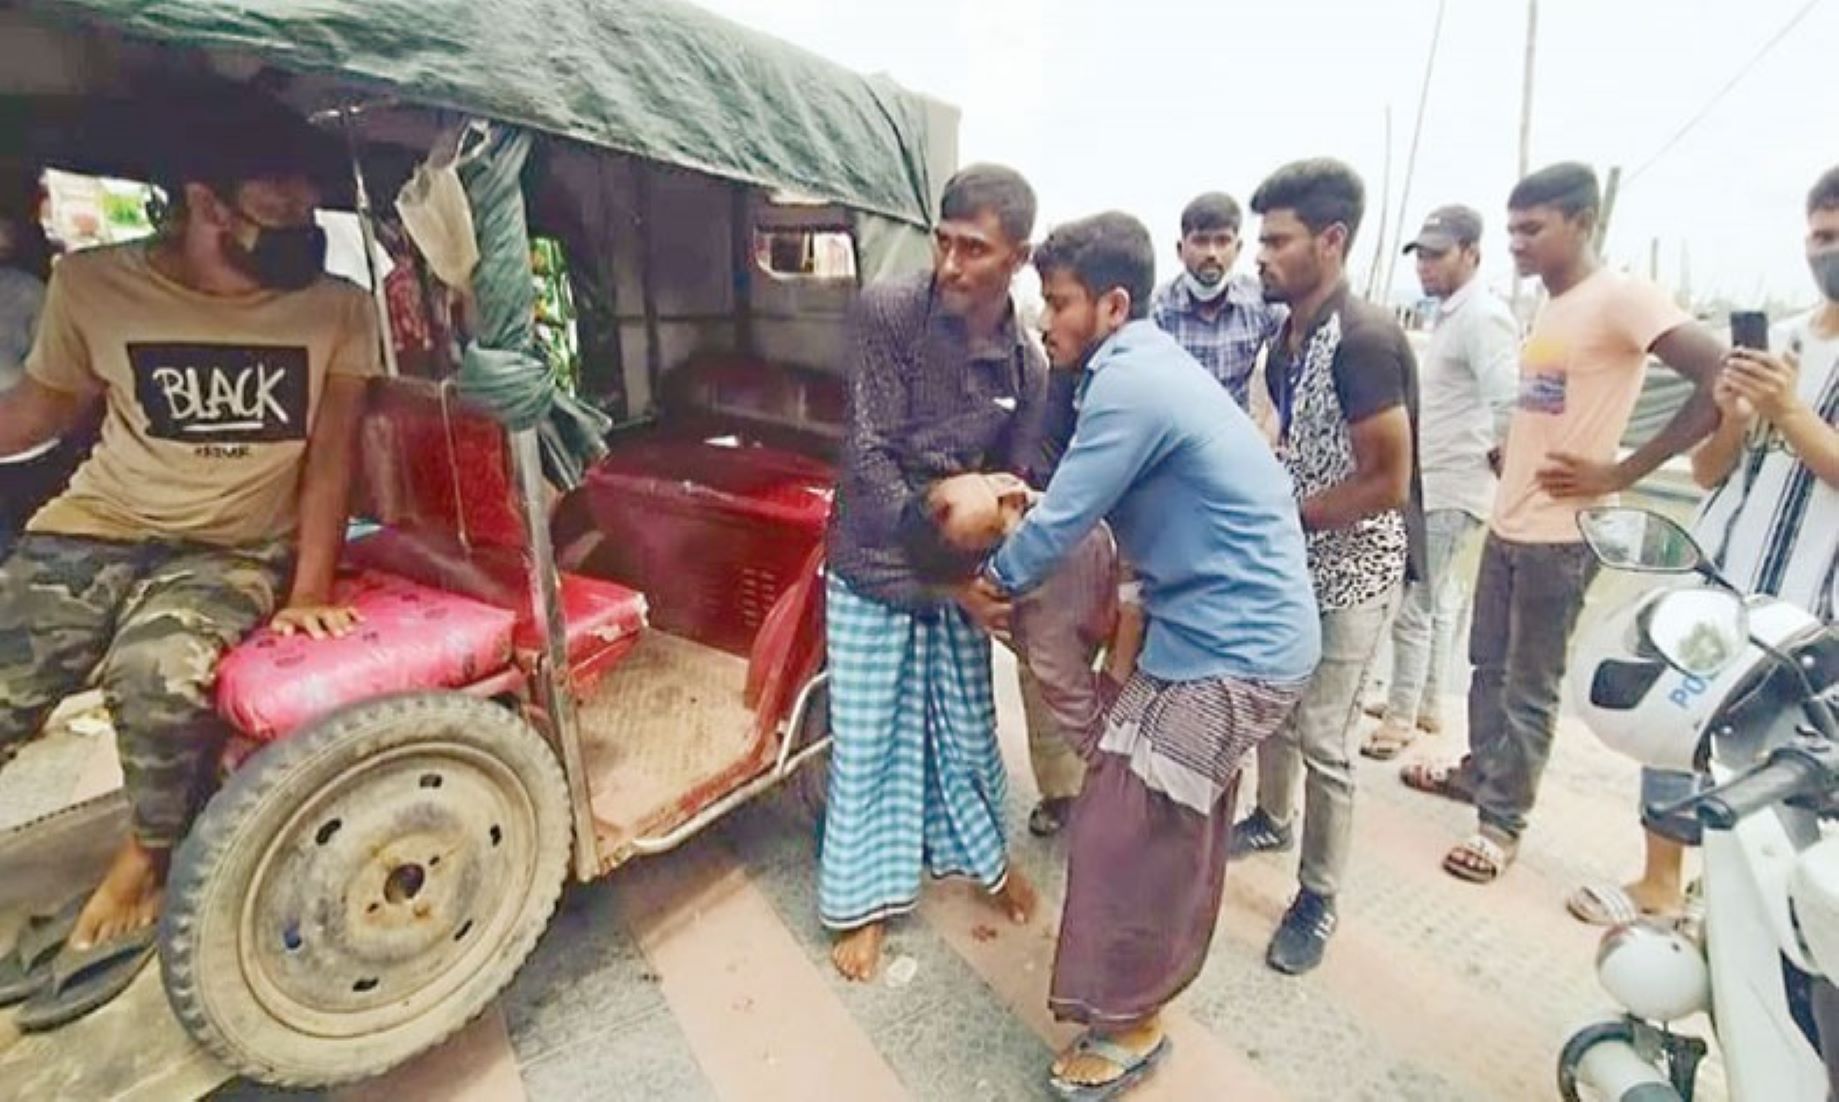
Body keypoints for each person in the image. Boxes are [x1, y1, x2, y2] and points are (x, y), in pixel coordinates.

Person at [0, 95, 376, 1028]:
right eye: (277, 213)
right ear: (207, 205)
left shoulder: (339, 309)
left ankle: (150, 853)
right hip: (97, 520)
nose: (300, 230)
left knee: (157, 673)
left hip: (234, 544)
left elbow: (332, 452)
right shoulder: (92, 286)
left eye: (308, 211)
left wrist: (309, 589)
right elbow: (38, 415)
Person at [956, 211, 1318, 1098]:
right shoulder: (1136, 367)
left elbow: (1069, 515)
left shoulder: (1129, 382)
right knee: (1149, 818)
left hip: (1236, 651)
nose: (1047, 320)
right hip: (1204, 635)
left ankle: (1135, 1024)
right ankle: (1134, 994)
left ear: (1113, 304)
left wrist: (990, 581)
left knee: (1132, 832)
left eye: (1061, 302)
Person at [1401, 162, 1726, 884]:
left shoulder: (1621, 298)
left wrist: (1620, 472)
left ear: (1580, 223)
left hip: (1563, 534)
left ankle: (1501, 824)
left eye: (1531, 228)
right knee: (1485, 659)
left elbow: (1719, 376)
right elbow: (1551, 401)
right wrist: (1510, 445)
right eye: (1511, 228)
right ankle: (1479, 771)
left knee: (1529, 681)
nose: (1516, 242)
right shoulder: (1551, 306)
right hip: (1510, 519)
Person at [1567, 165, 1839, 926]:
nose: (1826, 252)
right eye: (1819, 236)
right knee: (1677, 723)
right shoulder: (1779, 342)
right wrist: (1731, 418)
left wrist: (1786, 411)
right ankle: (1660, 877)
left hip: (1814, 606)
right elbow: (1711, 470)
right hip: (1729, 577)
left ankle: (1758, 907)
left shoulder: (1787, 376)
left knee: (1786, 758)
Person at [821, 163, 1045, 982]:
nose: (951, 264)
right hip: (875, 556)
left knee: (964, 728)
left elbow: (1015, 487)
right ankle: (863, 905)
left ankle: (986, 865)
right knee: (871, 740)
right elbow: (868, 455)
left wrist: (991, 579)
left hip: (959, 553)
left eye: (974, 249)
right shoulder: (888, 310)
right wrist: (950, 583)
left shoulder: (1026, 362)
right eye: (942, 241)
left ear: (1016, 257)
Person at [1228, 159, 1422, 976]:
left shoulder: (1366, 339)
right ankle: (1272, 818)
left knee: (1325, 736)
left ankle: (1318, 894)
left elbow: (1387, 482)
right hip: (1293, 558)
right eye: (1258, 240)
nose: (1259, 257)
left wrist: (1281, 514)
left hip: (1353, 568)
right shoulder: (1286, 337)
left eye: (1276, 241)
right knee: (1272, 703)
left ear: (1331, 241)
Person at [1361, 205, 1519, 760]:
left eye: (1437, 254)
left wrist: (1507, 453)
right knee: (1443, 594)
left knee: (1414, 599)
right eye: (1421, 255)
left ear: (1471, 253)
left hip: (1453, 481)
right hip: (1438, 479)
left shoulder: (1482, 317)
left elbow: (1508, 394)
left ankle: (1400, 718)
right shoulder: (1453, 314)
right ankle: (1425, 702)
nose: (1426, 266)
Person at [1149, 191, 1284, 409]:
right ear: (1180, 250)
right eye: (1201, 242)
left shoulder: (1262, 302)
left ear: (1237, 248)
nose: (1212, 253)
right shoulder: (1156, 311)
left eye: (1222, 241)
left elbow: (1294, 358)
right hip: (1176, 436)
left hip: (1237, 436)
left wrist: (1272, 424)